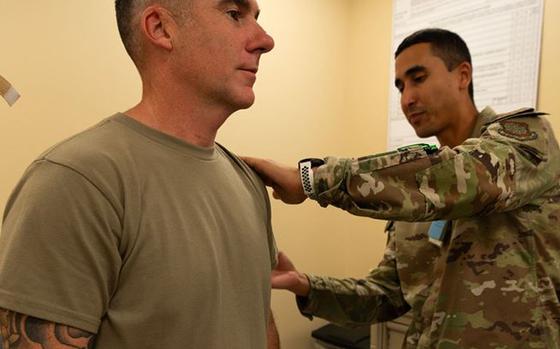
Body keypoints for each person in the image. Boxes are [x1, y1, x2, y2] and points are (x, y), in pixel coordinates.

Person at [244, 28, 560, 348]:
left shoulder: (525, 137)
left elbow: (464, 176)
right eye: (400, 86)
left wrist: (312, 178)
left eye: (418, 78)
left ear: (462, 75)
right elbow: (389, 294)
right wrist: (306, 287)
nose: (407, 98)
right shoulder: (410, 193)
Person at [0, 0, 279, 348]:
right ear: (160, 28)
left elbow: (257, 320)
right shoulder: (75, 182)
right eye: (234, 14)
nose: (265, 40)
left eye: (256, 17)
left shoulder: (246, 180)